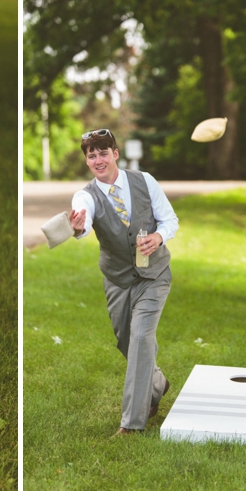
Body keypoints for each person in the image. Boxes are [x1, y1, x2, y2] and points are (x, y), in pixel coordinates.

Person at [69, 129, 179, 435]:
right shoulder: (85, 195)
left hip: (154, 275)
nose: (98, 160)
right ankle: (158, 383)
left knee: (142, 337)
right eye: (92, 156)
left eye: (103, 153)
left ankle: (131, 424)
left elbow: (170, 219)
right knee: (125, 341)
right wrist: (79, 227)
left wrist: (158, 236)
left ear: (115, 153)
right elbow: (84, 218)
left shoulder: (144, 180)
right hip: (117, 280)